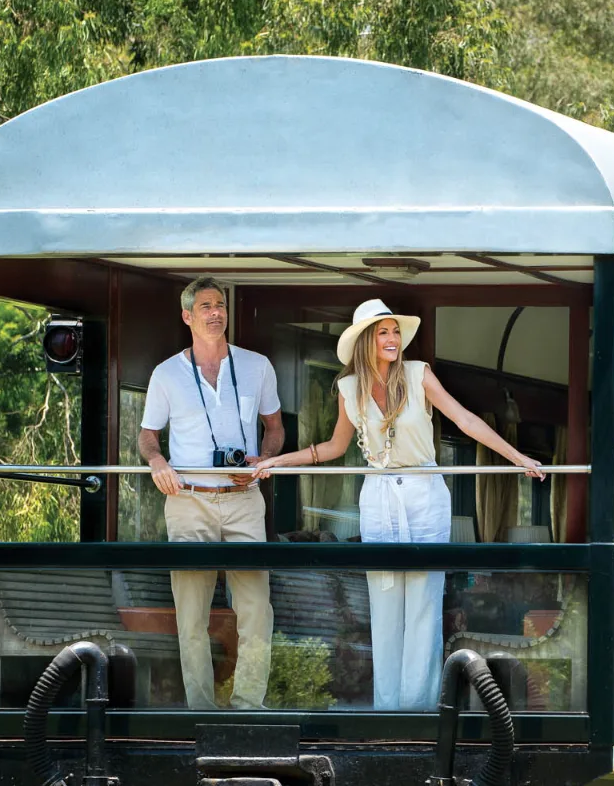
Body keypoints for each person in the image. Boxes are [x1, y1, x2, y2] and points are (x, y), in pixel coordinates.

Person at [255, 299, 545, 709]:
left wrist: (518, 459)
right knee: (385, 602)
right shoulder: (349, 388)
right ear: (365, 342)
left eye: (395, 331)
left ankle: (419, 711)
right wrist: (275, 462)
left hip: (425, 493)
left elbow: (465, 420)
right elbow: (334, 447)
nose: (392, 339)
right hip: (378, 496)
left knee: (424, 603)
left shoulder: (417, 374)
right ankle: (386, 711)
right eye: (382, 332)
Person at [137, 279, 283, 709]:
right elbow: (147, 437)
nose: (215, 312)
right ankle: (199, 711)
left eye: (220, 305)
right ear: (187, 316)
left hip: (243, 500)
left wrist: (262, 461)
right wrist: (157, 463)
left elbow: (274, 429)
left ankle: (248, 706)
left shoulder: (257, 365)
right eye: (205, 306)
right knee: (191, 615)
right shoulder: (165, 373)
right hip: (189, 500)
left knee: (257, 609)